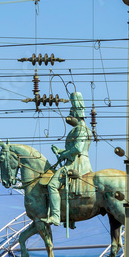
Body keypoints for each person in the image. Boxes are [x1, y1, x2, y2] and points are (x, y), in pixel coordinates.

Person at [46, 92, 92, 226]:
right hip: (76, 160)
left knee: (52, 185)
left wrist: (64, 154)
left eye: (72, 113)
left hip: (77, 163)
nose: (69, 116)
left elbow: (77, 149)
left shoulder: (80, 129)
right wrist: (61, 151)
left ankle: (55, 216)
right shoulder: (81, 128)